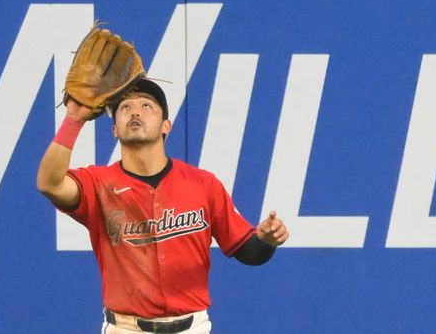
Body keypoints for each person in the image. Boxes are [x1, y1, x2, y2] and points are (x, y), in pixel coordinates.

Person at [37, 78, 289, 333]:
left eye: (147, 106)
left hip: (192, 327)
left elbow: (249, 252)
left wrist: (266, 239)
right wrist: (74, 120)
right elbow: (50, 184)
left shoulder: (203, 184)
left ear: (165, 125)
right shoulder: (98, 184)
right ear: (114, 130)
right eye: (125, 108)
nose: (135, 111)